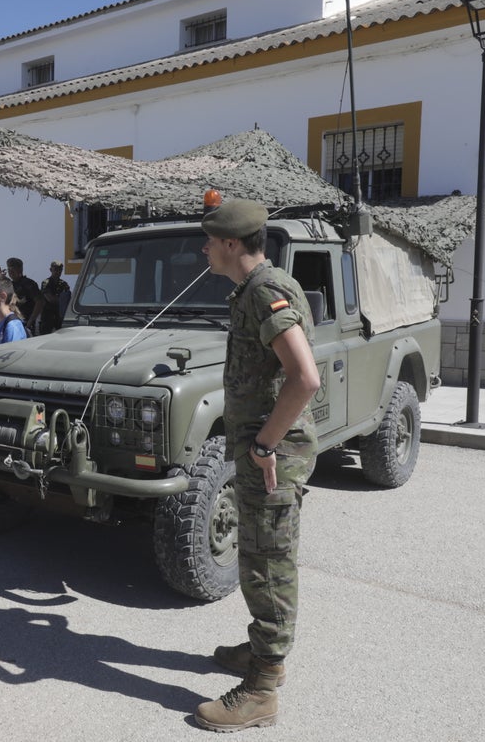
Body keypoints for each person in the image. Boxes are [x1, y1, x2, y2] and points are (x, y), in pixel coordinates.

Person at [193, 199, 321, 733]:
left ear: (229, 244)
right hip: (264, 451)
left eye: (208, 240)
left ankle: (263, 689)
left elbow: (304, 376)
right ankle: (262, 651)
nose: (203, 249)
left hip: (272, 456)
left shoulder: (265, 292)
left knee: (268, 564)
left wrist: (266, 445)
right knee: (258, 557)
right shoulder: (256, 287)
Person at [6, 257, 43, 335]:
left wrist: (31, 320)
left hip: (26, 324)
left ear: (20, 269)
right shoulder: (9, 285)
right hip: (12, 323)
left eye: (13, 269)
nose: (10, 271)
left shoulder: (29, 284)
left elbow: (39, 302)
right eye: (9, 269)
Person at [37, 260, 71, 335]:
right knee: (44, 337)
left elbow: (68, 298)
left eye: (60, 270)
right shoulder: (46, 283)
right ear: (51, 270)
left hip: (60, 315)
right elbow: (50, 299)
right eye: (55, 269)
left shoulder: (64, 284)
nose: (58, 272)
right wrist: (62, 300)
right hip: (47, 315)